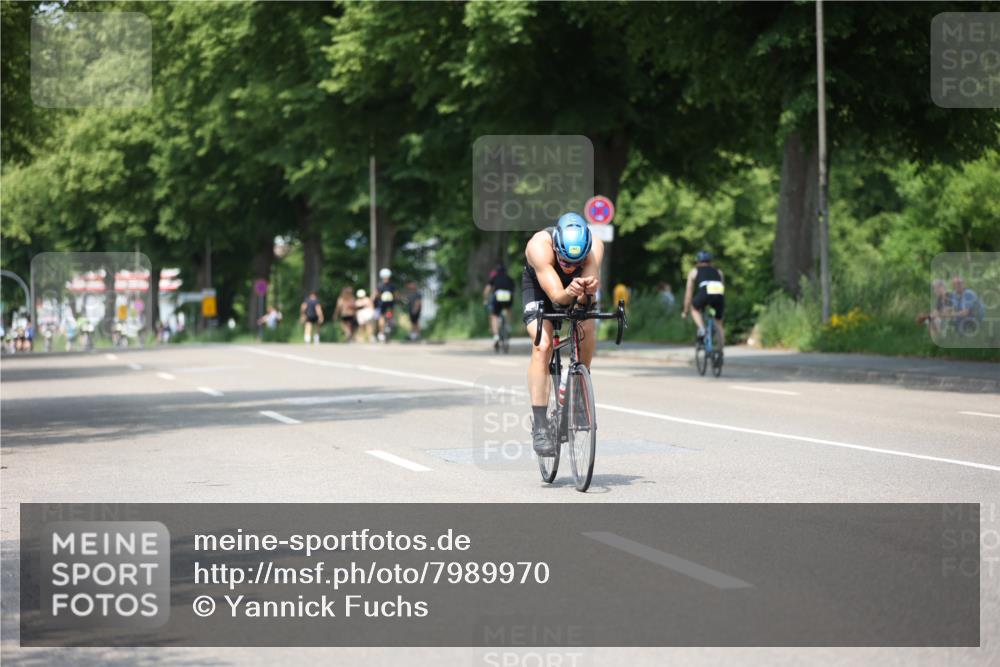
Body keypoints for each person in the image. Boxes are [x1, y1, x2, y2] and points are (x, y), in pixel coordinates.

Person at [523, 212, 604, 455]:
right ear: (556, 245)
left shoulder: (594, 247)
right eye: (565, 261)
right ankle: (540, 426)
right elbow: (558, 297)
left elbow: (586, 300)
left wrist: (586, 295)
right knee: (543, 345)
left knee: (587, 326)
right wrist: (569, 289)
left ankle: (578, 389)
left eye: (575, 263)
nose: (569, 266)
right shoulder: (539, 246)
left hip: (574, 288)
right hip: (540, 289)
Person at [682, 250, 726, 349]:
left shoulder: (694, 271)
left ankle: (702, 329)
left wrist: (685, 310)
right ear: (711, 261)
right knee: (719, 323)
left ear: (698, 261)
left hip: (705, 293)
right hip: (719, 295)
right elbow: (722, 288)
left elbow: (688, 293)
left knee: (694, 308)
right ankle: (720, 351)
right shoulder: (719, 272)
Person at [484, 262, 515, 349]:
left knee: (494, 316)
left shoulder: (494, 277)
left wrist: (485, 300)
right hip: (508, 297)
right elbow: (513, 291)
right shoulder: (509, 279)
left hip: (498, 296)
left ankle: (496, 336)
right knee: (508, 309)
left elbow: (487, 290)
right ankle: (508, 326)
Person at [374, 268, 396, 342]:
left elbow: (376, 294)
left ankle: (382, 332)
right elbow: (395, 294)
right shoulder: (392, 285)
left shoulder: (380, 285)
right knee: (386, 316)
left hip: (383, 304)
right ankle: (386, 327)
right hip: (388, 304)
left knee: (382, 317)